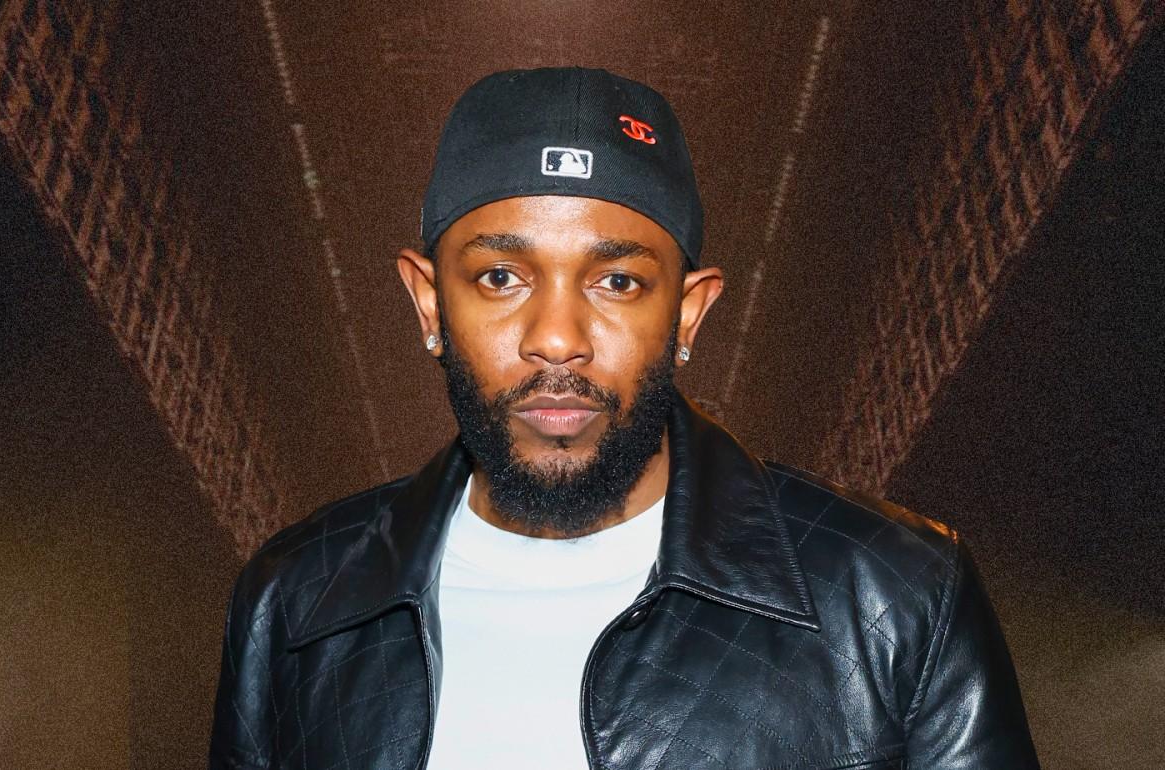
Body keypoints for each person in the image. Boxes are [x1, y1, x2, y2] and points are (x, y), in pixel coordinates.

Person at [208, 67, 1039, 770]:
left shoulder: (897, 595)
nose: (556, 338)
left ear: (687, 313)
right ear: (429, 303)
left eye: (617, 282)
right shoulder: (295, 598)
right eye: (501, 277)